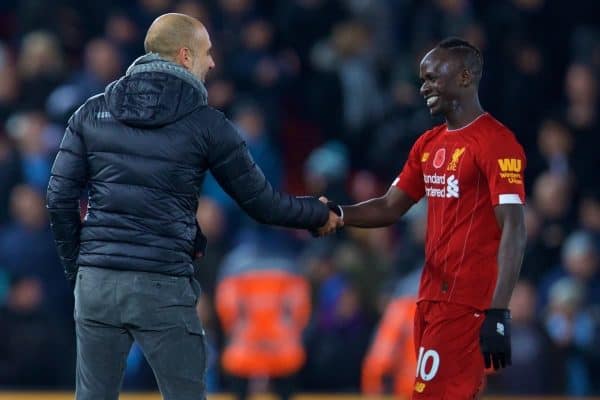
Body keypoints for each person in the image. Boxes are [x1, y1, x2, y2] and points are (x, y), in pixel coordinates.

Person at [46, 13, 341, 400]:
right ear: (185, 56)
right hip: (163, 283)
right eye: (207, 52)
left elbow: (57, 199)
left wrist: (80, 269)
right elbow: (262, 203)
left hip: (98, 280)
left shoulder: (90, 113)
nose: (213, 62)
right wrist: (319, 213)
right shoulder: (207, 124)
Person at [318, 37, 527, 399]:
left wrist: (498, 311)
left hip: (467, 303)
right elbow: (390, 206)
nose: (424, 86)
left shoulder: (496, 142)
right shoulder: (428, 144)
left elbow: (514, 226)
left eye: (432, 77)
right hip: (429, 298)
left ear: (464, 77)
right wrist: (338, 214)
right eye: (422, 78)